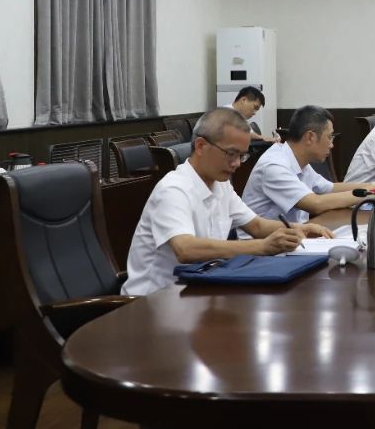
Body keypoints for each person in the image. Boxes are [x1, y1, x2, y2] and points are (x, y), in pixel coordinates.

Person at [122, 107, 331, 297]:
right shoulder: (173, 189)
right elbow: (186, 249)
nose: (237, 163)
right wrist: (263, 246)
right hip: (154, 302)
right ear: (201, 146)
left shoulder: (220, 184)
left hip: (200, 290)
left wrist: (301, 228)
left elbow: (256, 225)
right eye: (231, 154)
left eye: (242, 155)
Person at [242, 105, 375, 224]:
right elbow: (316, 203)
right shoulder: (275, 166)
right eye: (330, 137)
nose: (332, 145)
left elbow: (329, 188)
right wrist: (374, 192)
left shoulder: (297, 159)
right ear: (310, 137)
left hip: (290, 238)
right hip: (262, 247)